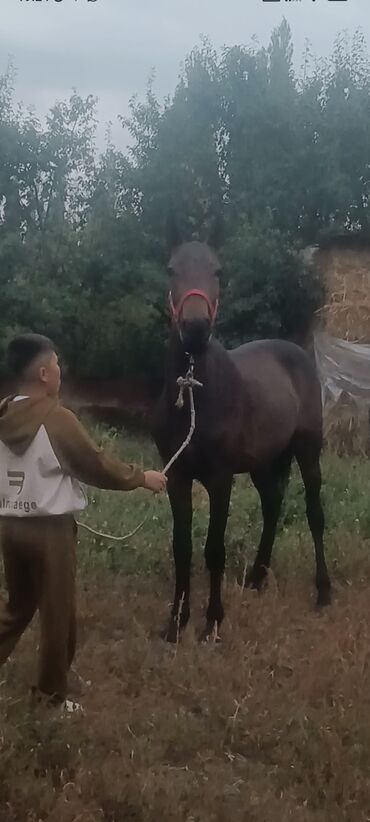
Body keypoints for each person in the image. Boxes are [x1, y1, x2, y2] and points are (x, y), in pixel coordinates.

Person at [0, 333, 167, 710]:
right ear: (44, 374)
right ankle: (49, 698)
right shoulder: (56, 419)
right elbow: (97, 465)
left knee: (17, 606)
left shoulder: (4, 413)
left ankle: (52, 685)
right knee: (57, 615)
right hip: (48, 531)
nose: (61, 372)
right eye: (57, 365)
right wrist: (143, 477)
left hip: (9, 525)